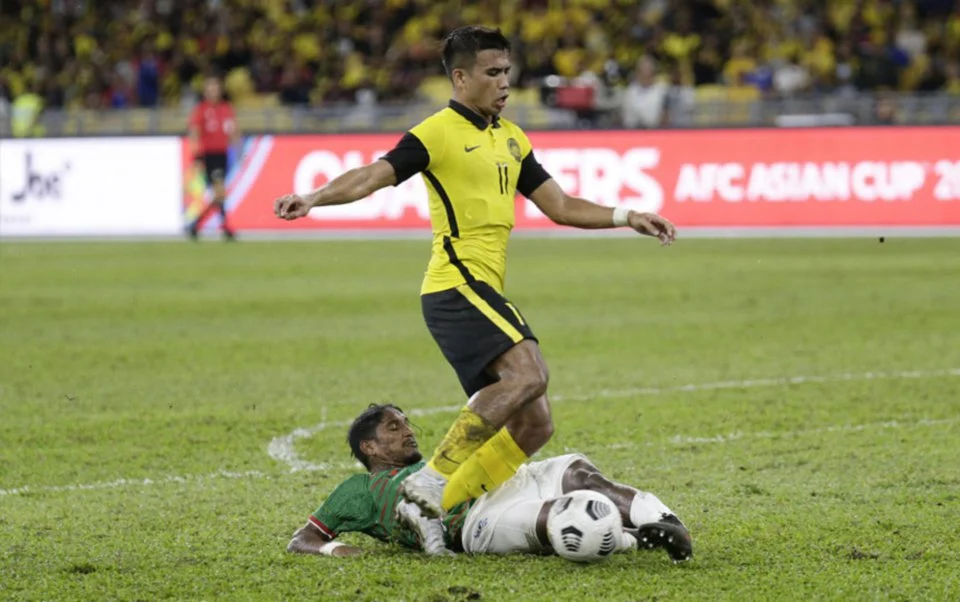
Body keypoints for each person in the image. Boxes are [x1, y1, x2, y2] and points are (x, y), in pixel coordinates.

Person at [273, 26, 677, 521]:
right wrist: (313, 197)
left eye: (507, 71)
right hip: (456, 284)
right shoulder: (437, 133)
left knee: (535, 425)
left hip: (479, 289)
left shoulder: (512, 138)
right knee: (529, 373)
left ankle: (432, 509)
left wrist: (627, 216)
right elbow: (372, 175)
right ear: (461, 78)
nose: (504, 82)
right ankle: (431, 478)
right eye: (492, 72)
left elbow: (562, 205)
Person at [286, 404, 692, 561]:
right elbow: (302, 539)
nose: (408, 431)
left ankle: (668, 524)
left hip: (500, 481)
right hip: (476, 523)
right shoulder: (357, 491)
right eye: (394, 428)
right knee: (562, 518)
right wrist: (337, 550)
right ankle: (635, 540)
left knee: (578, 472)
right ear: (369, 447)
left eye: (407, 423)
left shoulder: (430, 466)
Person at [187, 74, 239, 241]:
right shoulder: (201, 110)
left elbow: (233, 130)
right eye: (210, 89)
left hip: (223, 155)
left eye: (215, 89)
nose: (213, 92)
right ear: (205, 91)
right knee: (219, 191)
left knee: (219, 193)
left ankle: (196, 225)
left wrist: (237, 150)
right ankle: (224, 227)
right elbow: (194, 132)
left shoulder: (226, 108)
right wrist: (197, 155)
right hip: (209, 155)